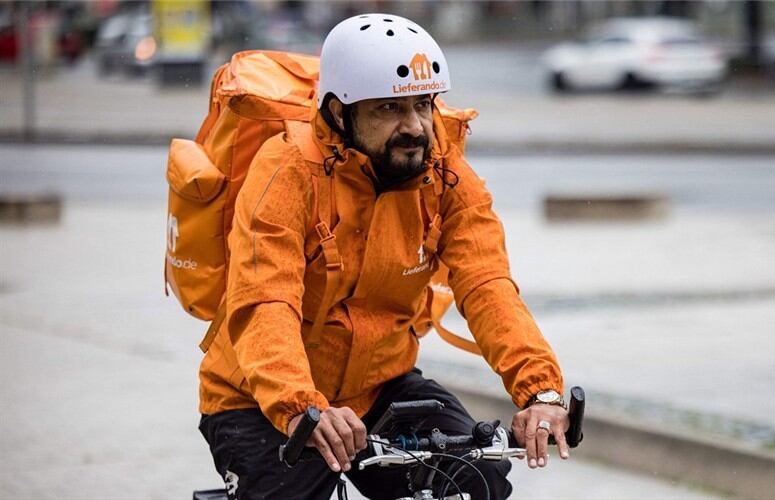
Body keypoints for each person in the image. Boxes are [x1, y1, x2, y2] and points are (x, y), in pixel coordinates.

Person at [197, 13, 568, 499]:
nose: (414, 127)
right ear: (339, 113)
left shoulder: (444, 174)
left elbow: (487, 284)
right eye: (389, 108)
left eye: (422, 104)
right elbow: (267, 302)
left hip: (379, 389)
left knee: (476, 477)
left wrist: (540, 390)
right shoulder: (287, 172)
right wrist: (300, 406)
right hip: (258, 396)